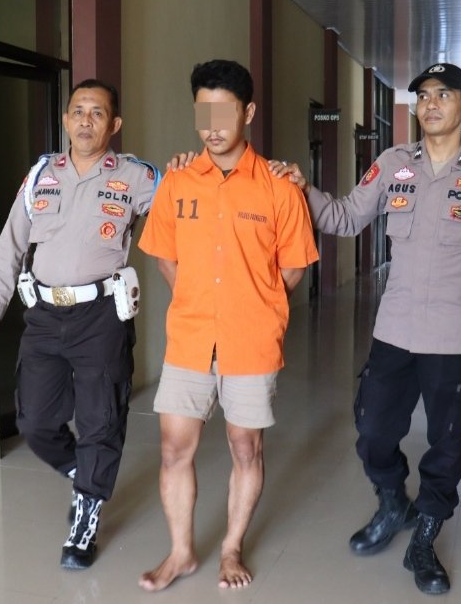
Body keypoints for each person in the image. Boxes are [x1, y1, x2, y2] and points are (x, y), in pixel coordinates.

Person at [274, 62, 461, 595]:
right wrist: (303, 188)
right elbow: (344, 218)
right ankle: (392, 501)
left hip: (455, 336)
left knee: (447, 444)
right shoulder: (392, 164)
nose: (431, 104)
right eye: (423, 96)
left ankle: (424, 538)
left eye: (444, 95)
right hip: (395, 329)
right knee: (372, 431)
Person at [136, 59, 319, 592]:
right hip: (189, 339)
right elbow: (165, 256)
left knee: (245, 449)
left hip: (251, 343)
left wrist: (253, 305)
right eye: (204, 113)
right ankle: (180, 553)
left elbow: (293, 268)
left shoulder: (280, 188)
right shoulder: (176, 182)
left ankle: (231, 547)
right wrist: (202, 299)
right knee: (174, 449)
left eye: (224, 112)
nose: (213, 127)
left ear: (249, 113)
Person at [0, 78, 160, 571]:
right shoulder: (42, 175)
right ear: (65, 119)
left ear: (114, 124)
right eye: (78, 111)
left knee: (101, 418)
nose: (85, 121)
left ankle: (86, 516)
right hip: (44, 315)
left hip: (101, 316)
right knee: (33, 420)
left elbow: (184, 216)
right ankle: (86, 474)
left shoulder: (137, 177)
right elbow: (11, 243)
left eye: (97, 113)